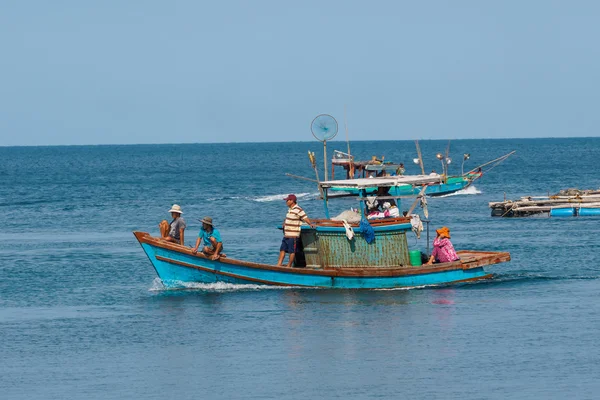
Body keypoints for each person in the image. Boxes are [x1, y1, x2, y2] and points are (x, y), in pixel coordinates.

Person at [277, 194, 315, 267]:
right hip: (286, 235)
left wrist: (310, 224)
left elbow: (305, 217)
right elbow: (288, 218)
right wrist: (285, 222)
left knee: (292, 251)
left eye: (287, 200)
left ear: (292, 201)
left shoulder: (298, 209)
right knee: (282, 249)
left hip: (293, 235)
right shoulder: (290, 210)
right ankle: (278, 264)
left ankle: (289, 266)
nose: (286, 202)